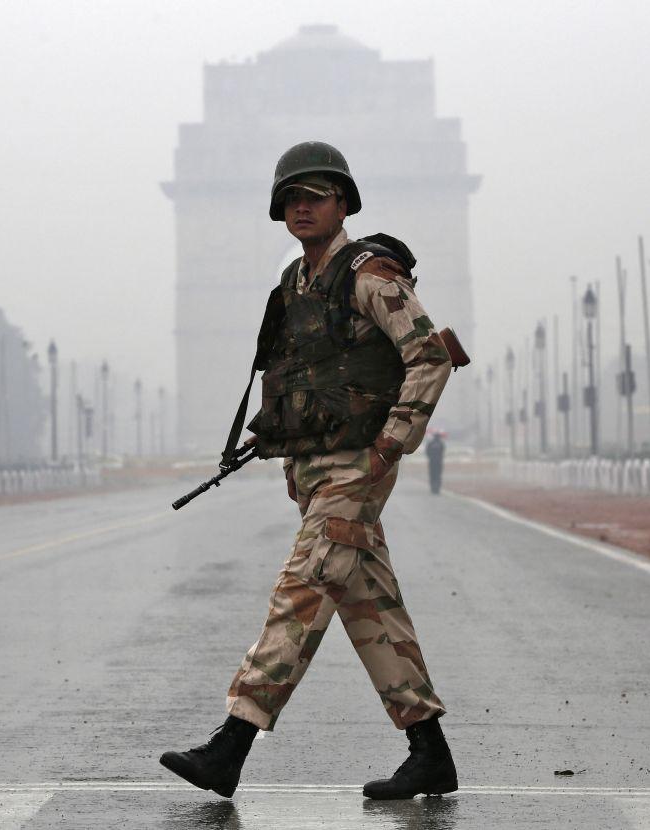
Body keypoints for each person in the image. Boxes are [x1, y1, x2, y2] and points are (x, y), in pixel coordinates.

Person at [160, 141, 458, 800]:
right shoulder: (294, 286)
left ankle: (231, 742)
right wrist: (284, 450)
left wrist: (391, 444)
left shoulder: (369, 274)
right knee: (366, 602)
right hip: (318, 468)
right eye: (292, 197)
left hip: (360, 462)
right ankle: (429, 749)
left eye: (315, 195)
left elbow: (430, 357)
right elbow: (294, 379)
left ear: (343, 203)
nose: (301, 206)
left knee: (303, 587)